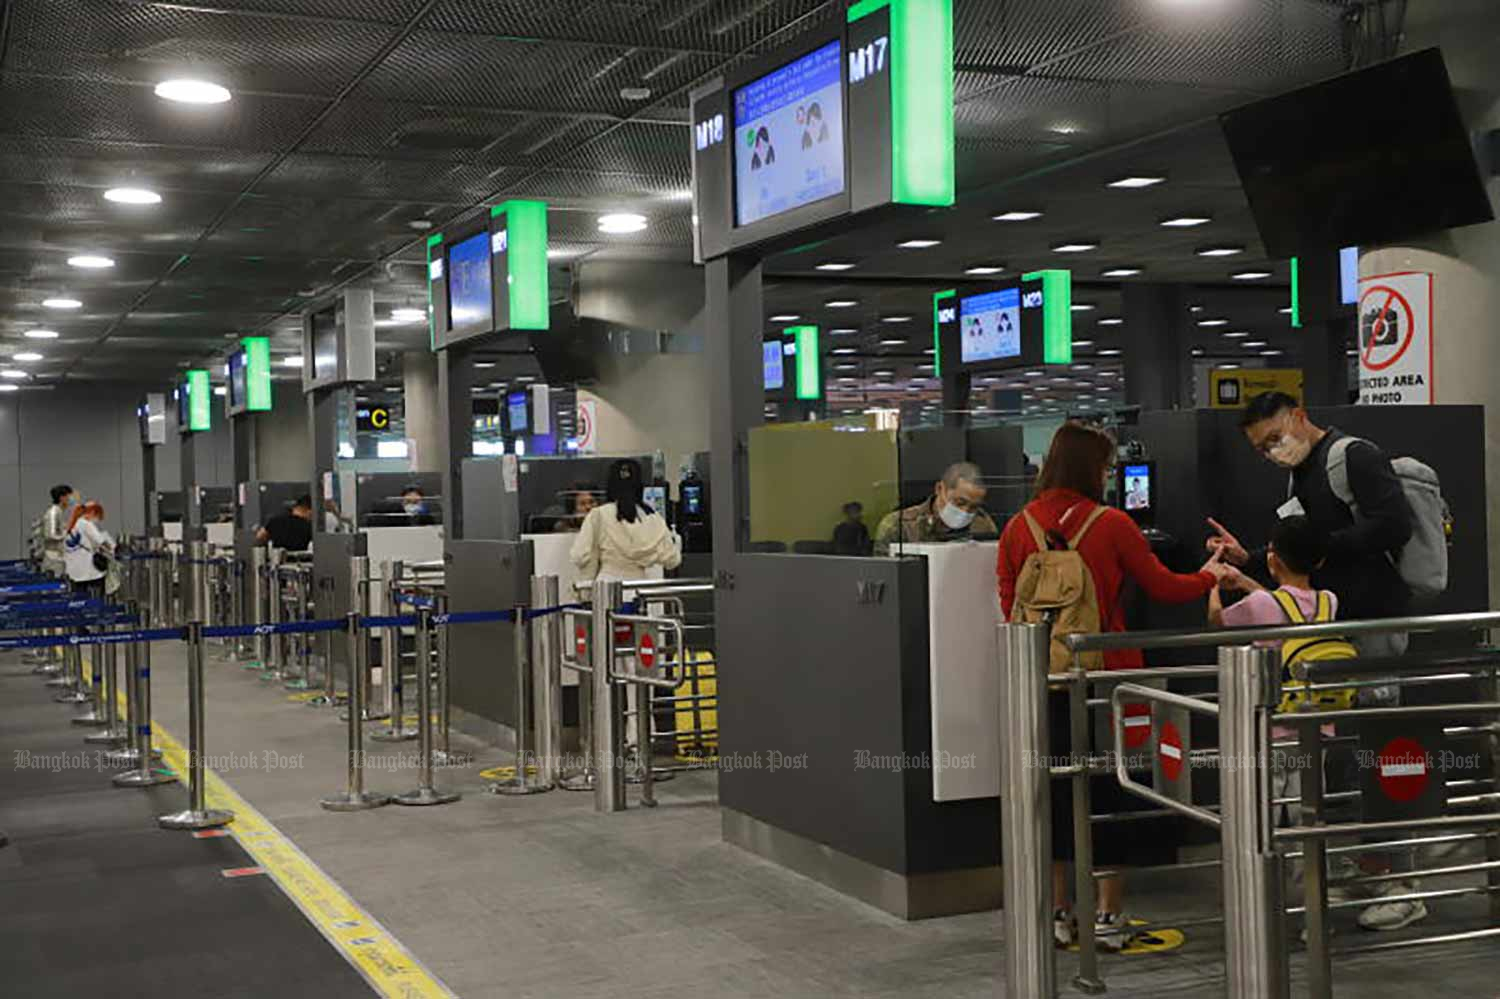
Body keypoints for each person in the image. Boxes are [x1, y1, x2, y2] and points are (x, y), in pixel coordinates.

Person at [996, 422, 1230, 952]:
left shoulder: (1018, 527)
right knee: (1114, 791)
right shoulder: (1112, 523)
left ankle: (1058, 912)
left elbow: (1008, 600)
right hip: (1110, 678)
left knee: (1054, 792)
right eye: (1104, 466)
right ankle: (1107, 918)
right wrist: (1210, 575)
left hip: (1044, 677)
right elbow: (1166, 588)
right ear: (1091, 468)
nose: (1108, 475)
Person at [1208, 392, 1424, 931]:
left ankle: (1400, 880)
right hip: (1333, 636)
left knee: (1379, 751)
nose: (1271, 452)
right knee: (1347, 758)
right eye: (1261, 449)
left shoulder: (1354, 458)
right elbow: (1305, 555)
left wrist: (1327, 548)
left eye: (1274, 438)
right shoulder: (1299, 477)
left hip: (1370, 631)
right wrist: (1254, 560)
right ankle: (1372, 868)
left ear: (1300, 417)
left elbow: (1394, 524)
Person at [570, 459, 681, 582]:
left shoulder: (599, 515)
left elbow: (579, 556)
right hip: (640, 587)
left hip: (607, 587)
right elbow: (672, 560)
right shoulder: (653, 518)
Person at [873, 462, 999, 556]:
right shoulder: (900, 526)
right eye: (960, 502)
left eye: (974, 507)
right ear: (939, 489)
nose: (965, 511)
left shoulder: (983, 525)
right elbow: (885, 578)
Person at [63, 501, 112, 598]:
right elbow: (102, 542)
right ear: (93, 513)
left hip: (73, 572)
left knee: (79, 600)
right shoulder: (86, 524)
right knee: (96, 600)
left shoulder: (70, 525)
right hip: (90, 571)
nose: (97, 520)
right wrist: (112, 548)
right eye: (98, 516)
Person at [40, 484, 74, 578]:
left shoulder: (59, 512)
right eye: (69, 497)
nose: (70, 500)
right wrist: (65, 533)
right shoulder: (53, 512)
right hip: (53, 559)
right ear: (62, 498)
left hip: (58, 557)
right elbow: (50, 535)